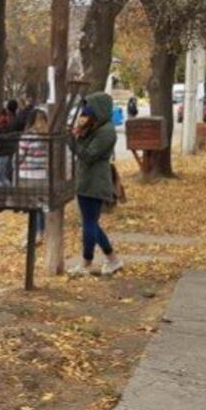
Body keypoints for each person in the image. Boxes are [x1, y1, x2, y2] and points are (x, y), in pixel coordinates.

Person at [69, 92, 121, 276]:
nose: (86, 116)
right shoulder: (96, 128)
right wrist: (79, 133)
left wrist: (74, 141)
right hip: (87, 180)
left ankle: (86, 262)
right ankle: (112, 259)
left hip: (95, 182)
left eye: (90, 112)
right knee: (91, 223)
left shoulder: (106, 131)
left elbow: (88, 155)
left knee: (89, 223)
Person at [17, 108, 49, 243]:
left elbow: (20, 156)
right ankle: (41, 232)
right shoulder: (47, 136)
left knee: (32, 207)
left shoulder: (27, 136)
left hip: (28, 174)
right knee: (41, 206)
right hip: (42, 175)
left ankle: (34, 234)